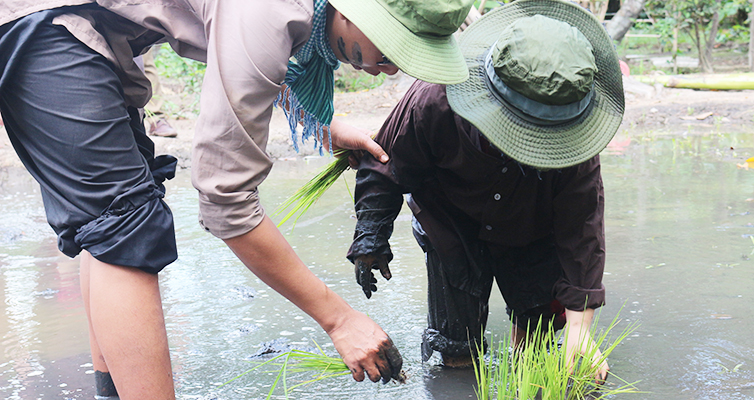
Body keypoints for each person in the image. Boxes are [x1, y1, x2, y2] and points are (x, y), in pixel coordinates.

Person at [0, 0, 473, 398]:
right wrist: (339, 319)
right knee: (126, 227)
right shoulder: (268, 8)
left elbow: (246, 59)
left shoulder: (293, 13)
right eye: (393, 46)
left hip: (97, 25)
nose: (390, 66)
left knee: (113, 215)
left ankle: (112, 390)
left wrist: (328, 127)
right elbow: (225, 200)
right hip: (48, 19)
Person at [347, 0, 625, 382]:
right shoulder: (435, 99)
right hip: (451, 224)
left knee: (538, 344)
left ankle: (529, 355)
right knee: (456, 348)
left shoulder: (575, 149)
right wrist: (370, 237)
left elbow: (582, 229)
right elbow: (385, 166)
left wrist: (581, 330)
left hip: (532, 231)